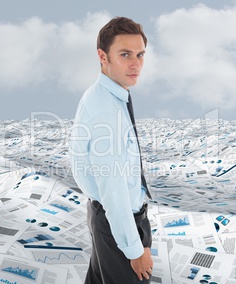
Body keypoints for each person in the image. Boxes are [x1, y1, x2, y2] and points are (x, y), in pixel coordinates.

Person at [69, 16, 153, 283]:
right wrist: (133, 249)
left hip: (111, 218)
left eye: (140, 54)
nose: (135, 64)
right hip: (117, 222)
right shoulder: (106, 111)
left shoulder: (108, 94)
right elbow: (113, 190)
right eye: (125, 54)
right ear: (103, 56)